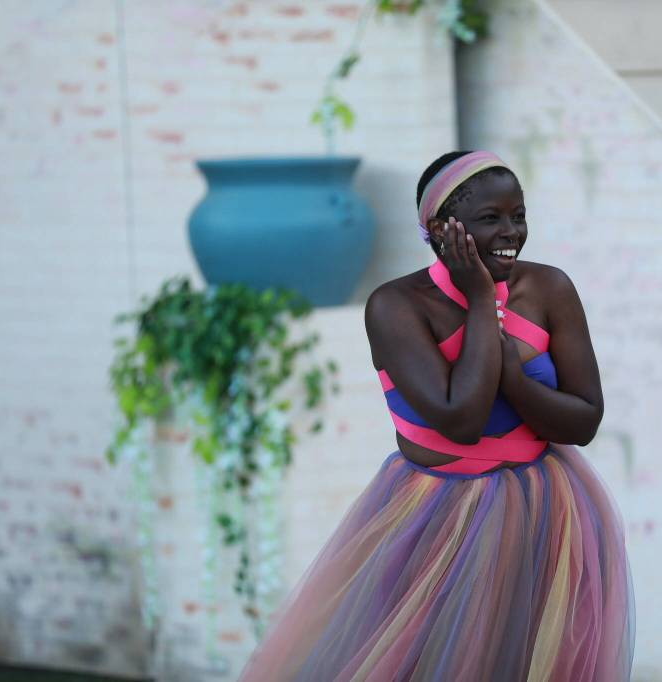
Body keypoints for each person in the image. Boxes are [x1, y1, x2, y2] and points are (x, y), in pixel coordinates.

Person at [237, 150, 635, 681]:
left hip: (545, 509)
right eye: (489, 218)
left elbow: (583, 422)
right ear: (440, 228)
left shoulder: (549, 290)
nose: (510, 231)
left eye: (518, 215)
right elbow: (460, 420)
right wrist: (478, 300)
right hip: (437, 514)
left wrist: (512, 377)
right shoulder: (396, 305)